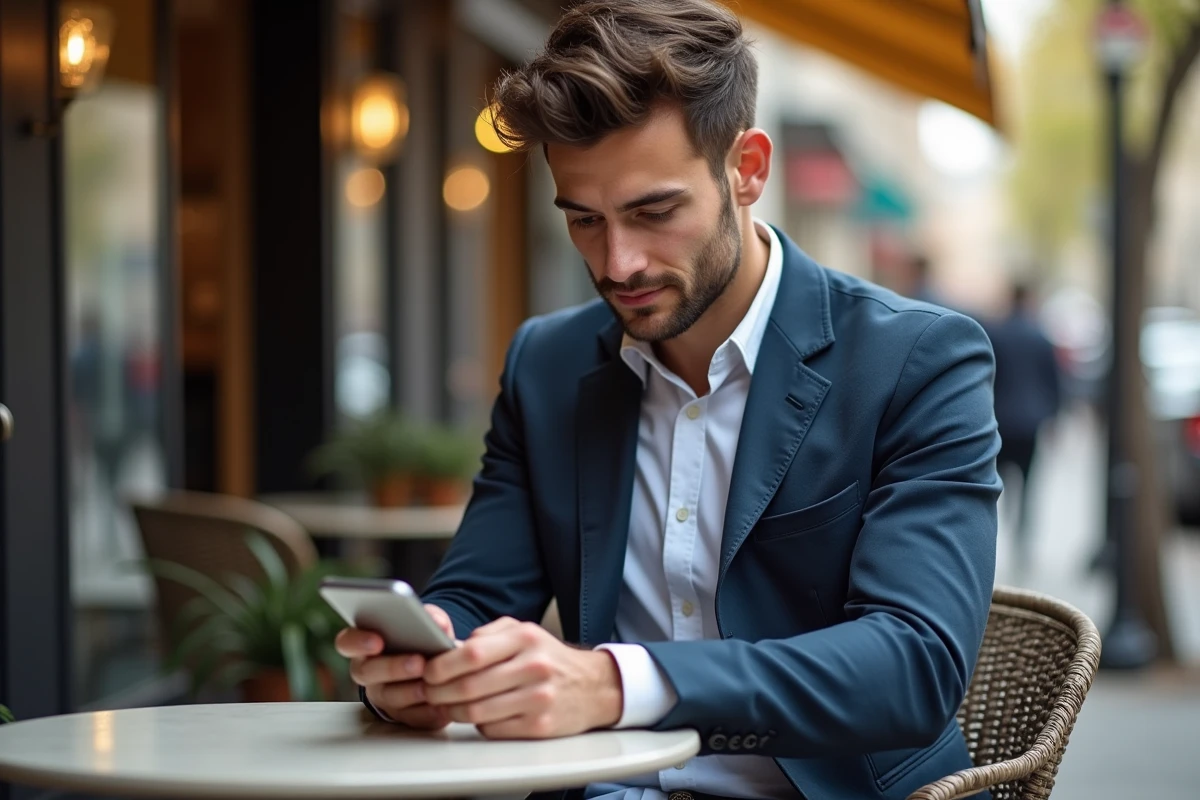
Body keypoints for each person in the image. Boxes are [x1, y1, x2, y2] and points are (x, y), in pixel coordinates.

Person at [336, 2, 1001, 799]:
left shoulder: (916, 361)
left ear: (748, 168)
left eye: (655, 212)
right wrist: (426, 661)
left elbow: (913, 664)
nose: (619, 263)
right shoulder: (546, 365)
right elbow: (476, 596)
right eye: (584, 220)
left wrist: (618, 685)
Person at [984, 282, 1062, 570]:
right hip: (1031, 423)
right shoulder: (1040, 336)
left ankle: (994, 537)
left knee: (994, 486)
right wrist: (1054, 417)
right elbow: (1054, 381)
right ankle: (1022, 541)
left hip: (1000, 422)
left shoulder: (997, 334)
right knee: (1029, 486)